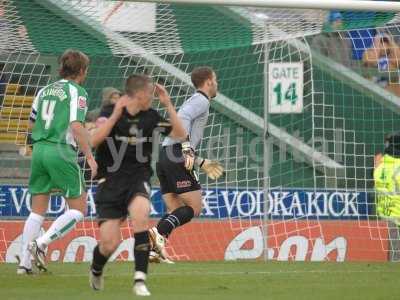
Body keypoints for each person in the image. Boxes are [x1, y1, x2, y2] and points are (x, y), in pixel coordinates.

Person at [88, 74, 186, 296]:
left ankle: (140, 279)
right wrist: (114, 115)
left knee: (141, 215)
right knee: (109, 244)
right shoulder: (109, 112)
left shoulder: (150, 116)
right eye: (150, 92)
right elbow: (93, 141)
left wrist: (168, 104)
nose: (152, 96)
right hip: (110, 181)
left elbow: (180, 134)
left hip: (138, 177)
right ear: (140, 94)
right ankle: (96, 269)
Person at [17, 49, 97, 274]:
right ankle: (40, 244)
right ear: (81, 70)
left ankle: (23, 265)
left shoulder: (44, 91)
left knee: (37, 210)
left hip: (39, 150)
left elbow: (31, 125)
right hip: (60, 151)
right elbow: (76, 125)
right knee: (78, 210)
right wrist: (90, 157)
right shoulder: (77, 92)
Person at [150, 66, 224, 263]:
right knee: (194, 207)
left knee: (175, 210)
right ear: (208, 81)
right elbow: (182, 120)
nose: (217, 84)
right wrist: (189, 152)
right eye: (215, 79)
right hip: (176, 153)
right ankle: (157, 231)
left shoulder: (197, 100)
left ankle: (154, 249)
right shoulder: (201, 100)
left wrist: (197, 160)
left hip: (165, 155)